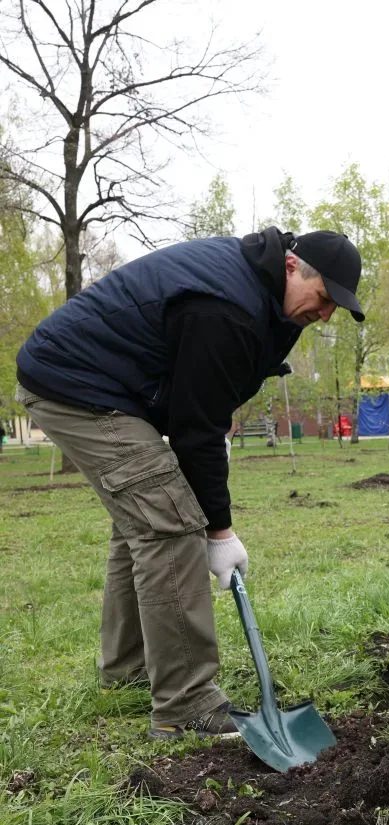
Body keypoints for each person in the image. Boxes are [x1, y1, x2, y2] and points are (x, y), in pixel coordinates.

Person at [16, 227, 364, 740]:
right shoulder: (228, 305)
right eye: (325, 298)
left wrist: (211, 423)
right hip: (76, 385)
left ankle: (128, 670)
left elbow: (207, 398)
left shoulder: (266, 294)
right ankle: (186, 703)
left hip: (107, 387)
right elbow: (193, 431)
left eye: (336, 306)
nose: (326, 314)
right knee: (171, 523)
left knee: (145, 515)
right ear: (293, 268)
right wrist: (218, 532)